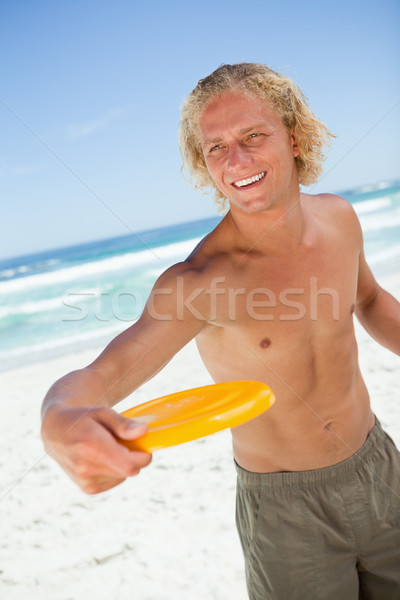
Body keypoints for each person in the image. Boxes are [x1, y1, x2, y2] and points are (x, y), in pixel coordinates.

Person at [41, 63, 400, 599]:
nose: (236, 160)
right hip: (287, 510)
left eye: (254, 136)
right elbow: (102, 374)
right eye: (216, 148)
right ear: (203, 164)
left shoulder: (340, 219)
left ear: (295, 137)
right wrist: (60, 421)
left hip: (379, 467)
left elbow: (368, 299)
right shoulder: (198, 283)